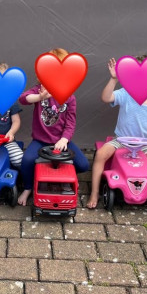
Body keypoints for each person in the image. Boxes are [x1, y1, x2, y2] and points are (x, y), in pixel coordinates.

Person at [86, 56, 147, 222]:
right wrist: (113, 79)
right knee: (101, 154)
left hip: (143, 144)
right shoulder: (126, 93)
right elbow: (106, 98)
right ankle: (94, 193)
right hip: (121, 140)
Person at [17, 48, 89, 206]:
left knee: (84, 165)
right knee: (27, 160)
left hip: (61, 141)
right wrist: (39, 97)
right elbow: (23, 98)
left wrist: (64, 139)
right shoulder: (40, 89)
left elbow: (70, 123)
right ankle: (28, 188)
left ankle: (66, 177)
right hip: (40, 140)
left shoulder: (70, 97)